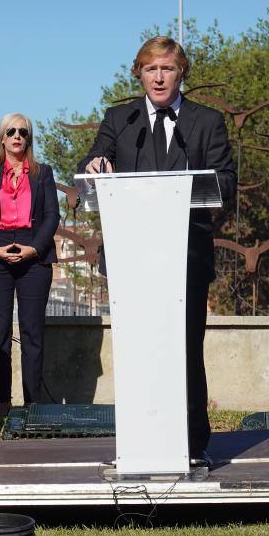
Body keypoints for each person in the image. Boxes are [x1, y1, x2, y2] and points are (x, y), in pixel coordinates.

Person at [78, 36, 237, 465]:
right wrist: (95, 168)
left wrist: (187, 187)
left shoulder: (207, 122)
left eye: (167, 68)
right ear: (140, 74)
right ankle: (135, 444)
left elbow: (226, 184)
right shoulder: (120, 119)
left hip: (185, 257)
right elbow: (93, 170)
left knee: (184, 350)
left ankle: (193, 444)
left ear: (181, 71)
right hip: (133, 261)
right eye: (151, 69)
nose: (159, 76)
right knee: (136, 353)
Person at [0, 114, 59, 419]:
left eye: (23, 132)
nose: (17, 136)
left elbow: (51, 216)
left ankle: (32, 404)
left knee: (32, 332)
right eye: (11, 131)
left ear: (29, 138)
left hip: (34, 254)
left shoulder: (43, 173)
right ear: (2, 138)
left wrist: (34, 248)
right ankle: (2, 403)